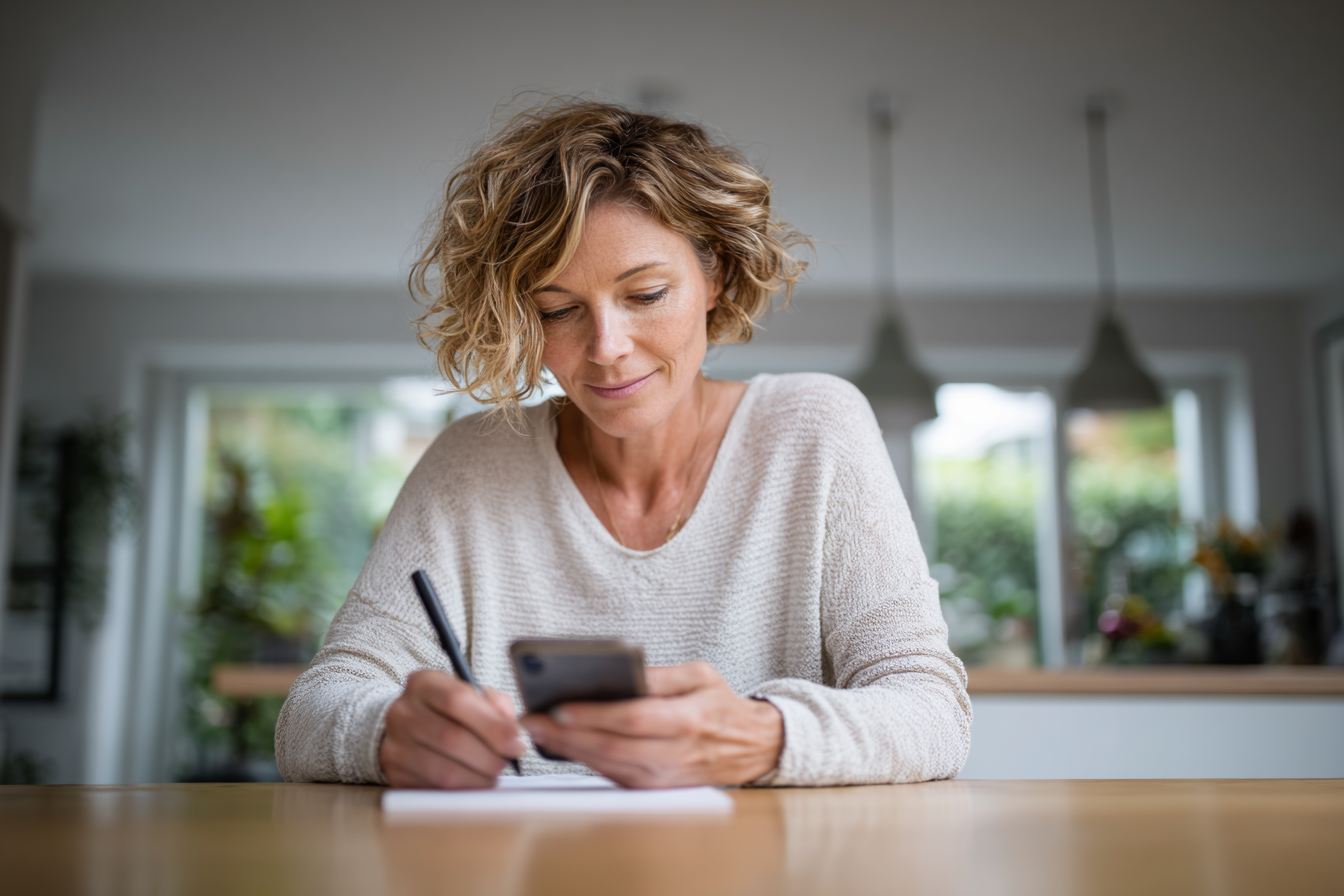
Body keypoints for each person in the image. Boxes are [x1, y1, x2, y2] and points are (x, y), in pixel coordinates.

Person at [274, 99, 971, 788]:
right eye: (558, 310)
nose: (606, 348)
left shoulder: (814, 429)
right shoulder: (471, 465)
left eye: (645, 294)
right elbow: (314, 708)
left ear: (715, 275)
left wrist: (761, 738)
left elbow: (933, 711)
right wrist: (383, 734)